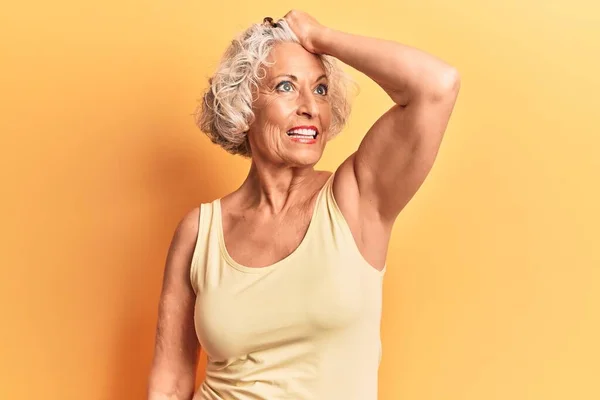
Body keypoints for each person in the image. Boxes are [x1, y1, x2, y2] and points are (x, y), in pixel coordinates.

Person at [147, 10, 460, 400]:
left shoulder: (357, 198)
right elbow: (171, 383)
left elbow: (437, 86)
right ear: (243, 107)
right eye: (285, 87)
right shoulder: (200, 231)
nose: (310, 106)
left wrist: (320, 37)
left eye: (322, 89)